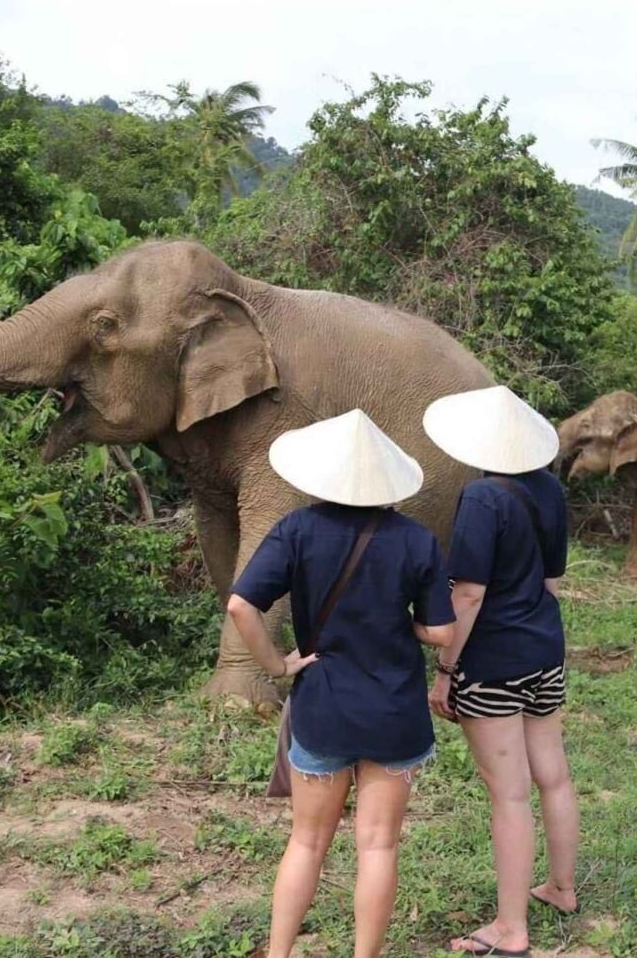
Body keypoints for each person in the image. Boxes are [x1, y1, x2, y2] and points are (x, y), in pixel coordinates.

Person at [226, 410, 455, 958]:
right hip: (394, 713)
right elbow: (442, 631)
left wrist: (277, 666)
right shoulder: (416, 540)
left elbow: (240, 606)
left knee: (306, 843)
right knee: (378, 846)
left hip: (323, 708)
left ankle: (278, 953)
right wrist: (408, 624)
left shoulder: (296, 529)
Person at [422, 385, 581, 958]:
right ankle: (561, 887)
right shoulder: (551, 491)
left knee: (509, 794)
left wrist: (445, 668)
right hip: (545, 649)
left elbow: (466, 593)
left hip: (492, 662)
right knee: (553, 775)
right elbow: (551, 584)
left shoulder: (483, 497)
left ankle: (510, 930)